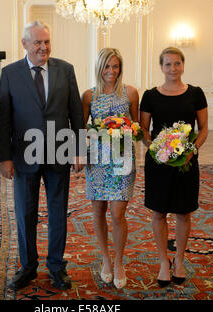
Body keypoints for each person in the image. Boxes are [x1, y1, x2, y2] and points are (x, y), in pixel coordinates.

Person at [0, 21, 85, 291]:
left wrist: (79, 149)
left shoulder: (65, 69)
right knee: (25, 213)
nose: (43, 47)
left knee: (58, 212)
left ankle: (57, 267)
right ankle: (28, 266)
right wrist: (5, 157)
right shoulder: (10, 73)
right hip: (24, 155)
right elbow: (4, 119)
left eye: (46, 42)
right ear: (24, 43)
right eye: (37, 42)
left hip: (59, 151)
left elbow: (76, 113)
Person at [139, 47, 208, 287]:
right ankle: (162, 262)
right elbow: (144, 131)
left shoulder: (196, 93)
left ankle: (179, 260)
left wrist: (192, 151)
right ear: (161, 67)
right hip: (158, 163)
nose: (172, 69)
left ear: (183, 65)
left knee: (183, 212)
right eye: (167, 64)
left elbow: (203, 129)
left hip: (186, 164)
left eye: (177, 64)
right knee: (158, 212)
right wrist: (158, 148)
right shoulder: (150, 96)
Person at [81, 48, 139, 289]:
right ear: (99, 68)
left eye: (115, 66)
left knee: (117, 213)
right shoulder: (88, 95)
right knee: (98, 210)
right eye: (107, 66)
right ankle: (105, 258)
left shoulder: (131, 92)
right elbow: (82, 128)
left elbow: (138, 126)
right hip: (97, 159)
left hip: (122, 158)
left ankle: (119, 262)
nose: (111, 71)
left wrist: (129, 132)